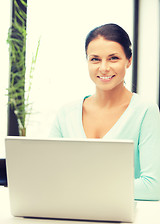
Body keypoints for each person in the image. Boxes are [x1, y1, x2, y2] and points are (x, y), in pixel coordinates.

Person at [50, 23, 160, 201]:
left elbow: (152, 187)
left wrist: (83, 185)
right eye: (95, 59)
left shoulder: (145, 111)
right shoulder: (66, 114)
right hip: (70, 214)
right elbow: (49, 175)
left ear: (129, 60)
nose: (103, 68)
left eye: (113, 58)